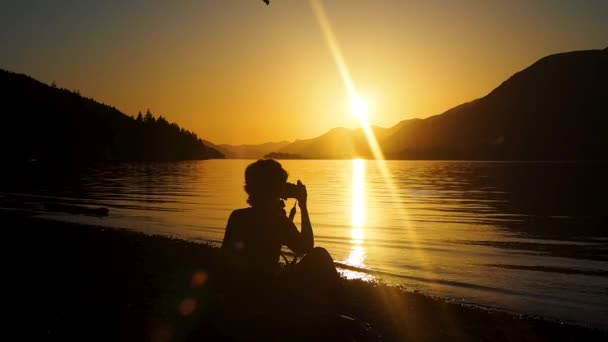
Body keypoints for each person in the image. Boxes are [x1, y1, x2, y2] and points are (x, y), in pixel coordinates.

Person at [220, 159, 340, 315]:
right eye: (283, 183)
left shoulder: (237, 216)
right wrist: (303, 205)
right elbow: (306, 246)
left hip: (237, 295)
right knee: (320, 255)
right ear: (274, 188)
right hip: (265, 297)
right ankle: (335, 305)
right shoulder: (278, 221)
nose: (287, 186)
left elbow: (226, 258)